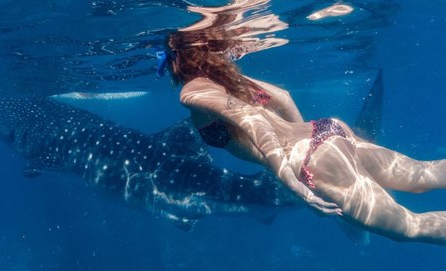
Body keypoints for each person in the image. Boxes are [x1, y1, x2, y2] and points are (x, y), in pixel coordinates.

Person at [161, 1, 446, 244]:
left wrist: (294, 179)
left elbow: (254, 120)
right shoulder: (230, 80)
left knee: (410, 227)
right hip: (327, 131)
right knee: (425, 174)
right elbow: (283, 98)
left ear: (176, 60)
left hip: (313, 159)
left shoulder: (193, 91)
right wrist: (314, 142)